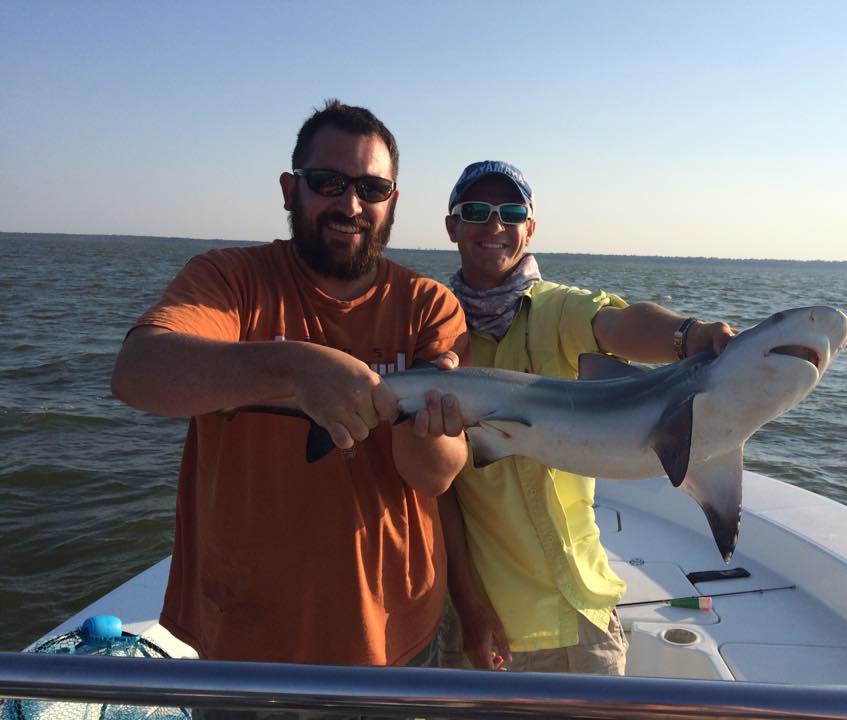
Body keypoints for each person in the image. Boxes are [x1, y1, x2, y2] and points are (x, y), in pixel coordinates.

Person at [111, 100, 469, 669]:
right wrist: (295, 370)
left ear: (393, 202)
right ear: (289, 189)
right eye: (328, 182)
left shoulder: (429, 305)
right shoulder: (228, 280)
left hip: (397, 630)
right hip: (247, 637)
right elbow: (139, 373)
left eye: (372, 189)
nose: (350, 204)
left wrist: (427, 428)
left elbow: (434, 473)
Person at [436, 160, 736, 675]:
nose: (495, 225)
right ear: (452, 226)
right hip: (486, 622)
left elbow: (617, 325)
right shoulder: (433, 327)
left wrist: (688, 335)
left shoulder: (559, 310)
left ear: (530, 228)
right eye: (476, 211)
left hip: (585, 610)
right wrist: (468, 606)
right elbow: (437, 495)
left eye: (511, 212)